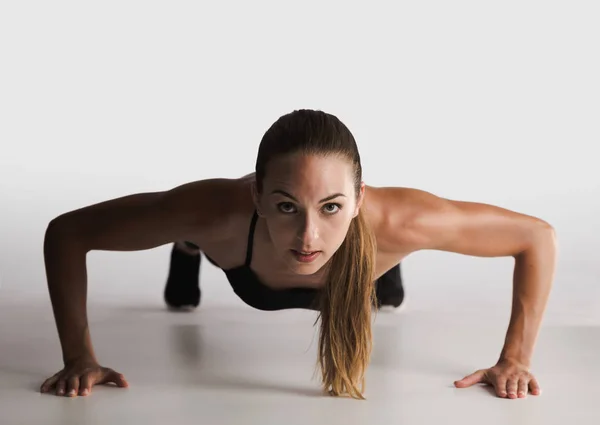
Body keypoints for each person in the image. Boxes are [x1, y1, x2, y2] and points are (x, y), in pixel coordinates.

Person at [39, 109, 555, 400]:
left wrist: (515, 359)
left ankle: (387, 270)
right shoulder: (218, 212)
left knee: (384, 285)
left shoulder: (400, 221)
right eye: (286, 206)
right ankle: (187, 248)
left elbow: (535, 238)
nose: (308, 236)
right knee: (194, 231)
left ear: (358, 199)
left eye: (331, 206)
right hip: (227, 247)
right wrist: (78, 357)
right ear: (257, 195)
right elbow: (67, 233)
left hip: (369, 259)